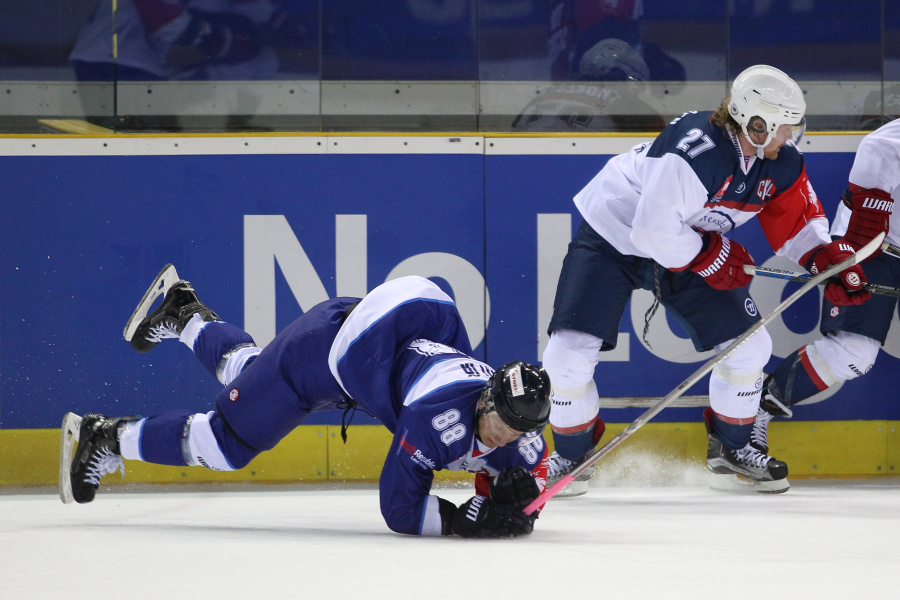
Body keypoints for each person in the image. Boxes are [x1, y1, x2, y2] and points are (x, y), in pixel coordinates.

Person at [542, 64, 871, 495]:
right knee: (567, 355)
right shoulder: (693, 151)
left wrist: (826, 260)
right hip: (613, 237)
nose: (791, 136)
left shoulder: (780, 161)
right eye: (784, 127)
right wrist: (711, 256)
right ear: (757, 125)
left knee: (750, 347)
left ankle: (732, 449)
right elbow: (652, 233)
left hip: (686, 245)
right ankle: (571, 457)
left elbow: (797, 222)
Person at [60, 268, 551, 539]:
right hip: (318, 356)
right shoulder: (435, 418)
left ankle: (185, 314)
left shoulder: (518, 429)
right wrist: (460, 520)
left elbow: (527, 475)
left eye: (517, 430)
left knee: (251, 374)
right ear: (485, 398)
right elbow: (399, 508)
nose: (505, 434)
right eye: (499, 420)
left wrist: (522, 498)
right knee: (227, 443)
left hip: (363, 347)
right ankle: (106, 436)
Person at [750, 118, 898, 456]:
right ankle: (754, 409)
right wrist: (866, 220)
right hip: (872, 245)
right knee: (853, 354)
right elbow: (879, 145)